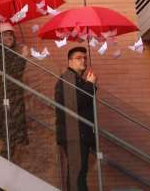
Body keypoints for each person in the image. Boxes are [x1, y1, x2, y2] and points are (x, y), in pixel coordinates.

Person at [54, 46, 98, 191]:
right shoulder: (67, 78)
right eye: (79, 58)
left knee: (80, 173)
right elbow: (73, 103)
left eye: (85, 58)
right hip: (73, 134)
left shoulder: (78, 80)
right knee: (77, 173)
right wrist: (90, 85)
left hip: (79, 134)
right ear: (70, 61)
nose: (83, 60)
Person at [0, 23, 29, 159]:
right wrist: (23, 57)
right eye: (5, 35)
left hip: (13, 95)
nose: (9, 37)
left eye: (11, 34)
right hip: (6, 96)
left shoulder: (8, 52)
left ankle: (7, 161)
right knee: (9, 132)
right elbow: (12, 73)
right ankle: (5, 162)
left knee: (12, 134)